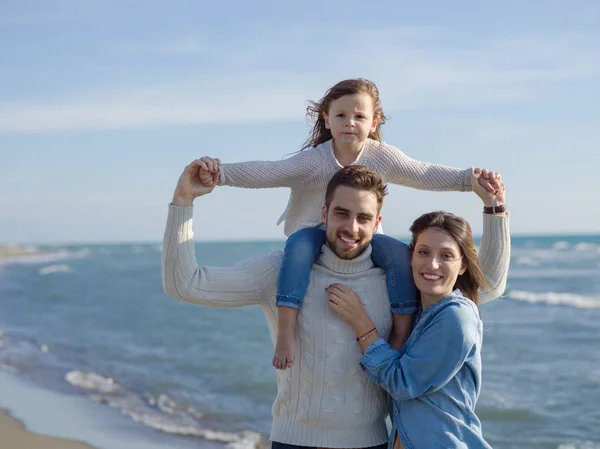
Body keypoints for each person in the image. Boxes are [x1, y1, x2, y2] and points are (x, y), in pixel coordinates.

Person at [162, 162, 509, 449]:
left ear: (377, 222)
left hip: (370, 445)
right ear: (324, 212)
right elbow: (186, 284)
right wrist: (183, 201)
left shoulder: (402, 282)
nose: (351, 227)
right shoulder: (280, 271)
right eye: (341, 213)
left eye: (363, 217)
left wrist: (495, 211)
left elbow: (479, 286)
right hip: (290, 442)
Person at [194, 77, 501, 370]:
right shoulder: (313, 160)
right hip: (311, 232)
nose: (350, 122)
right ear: (327, 120)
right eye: (341, 115)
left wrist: (468, 180)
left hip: (362, 237)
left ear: (373, 123)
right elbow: (269, 172)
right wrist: (221, 173)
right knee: (297, 248)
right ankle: (285, 331)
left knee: (397, 254)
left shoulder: (383, 156)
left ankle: (401, 333)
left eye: (358, 116)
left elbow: (421, 173)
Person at [325, 175, 508, 449]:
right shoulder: (419, 312)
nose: (432, 264)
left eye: (446, 256)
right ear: (410, 257)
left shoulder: (456, 317)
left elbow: (401, 383)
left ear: (462, 266)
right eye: (423, 252)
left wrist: (361, 322)